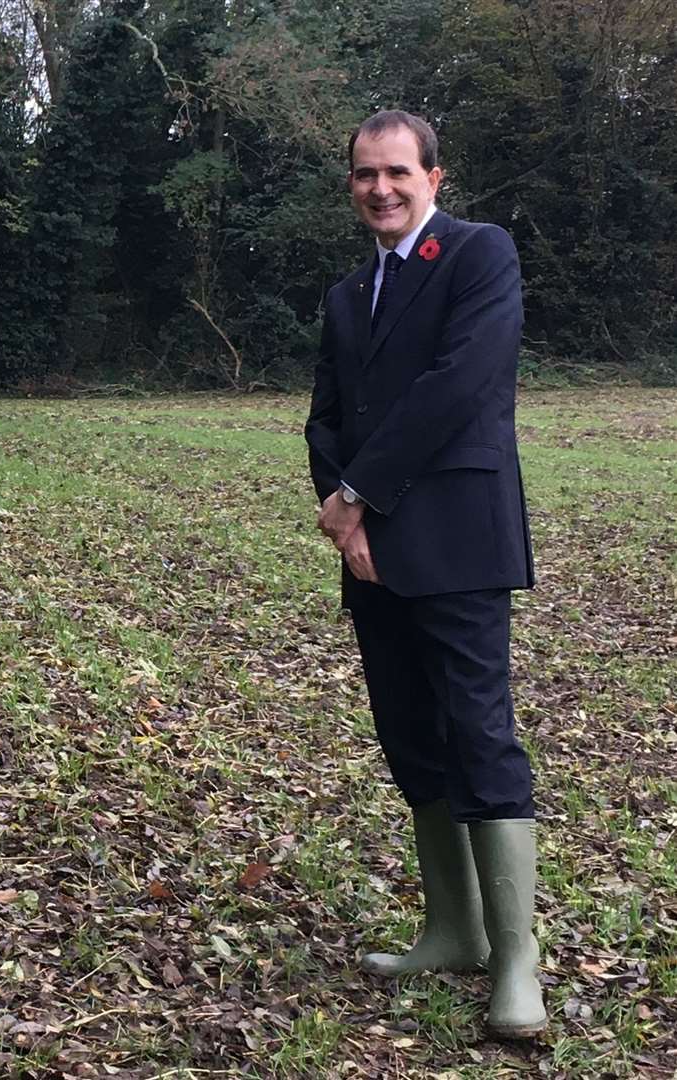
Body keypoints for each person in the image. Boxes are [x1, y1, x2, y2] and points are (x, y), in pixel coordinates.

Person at [304, 110, 545, 1038]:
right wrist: (340, 507)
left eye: (397, 172)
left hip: (457, 540)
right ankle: (451, 929)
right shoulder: (345, 291)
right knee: (409, 735)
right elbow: (326, 412)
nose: (380, 189)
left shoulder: (479, 255)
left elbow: (459, 384)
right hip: (367, 549)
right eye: (364, 175)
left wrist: (359, 491)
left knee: (479, 732)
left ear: (433, 177)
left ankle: (515, 956)